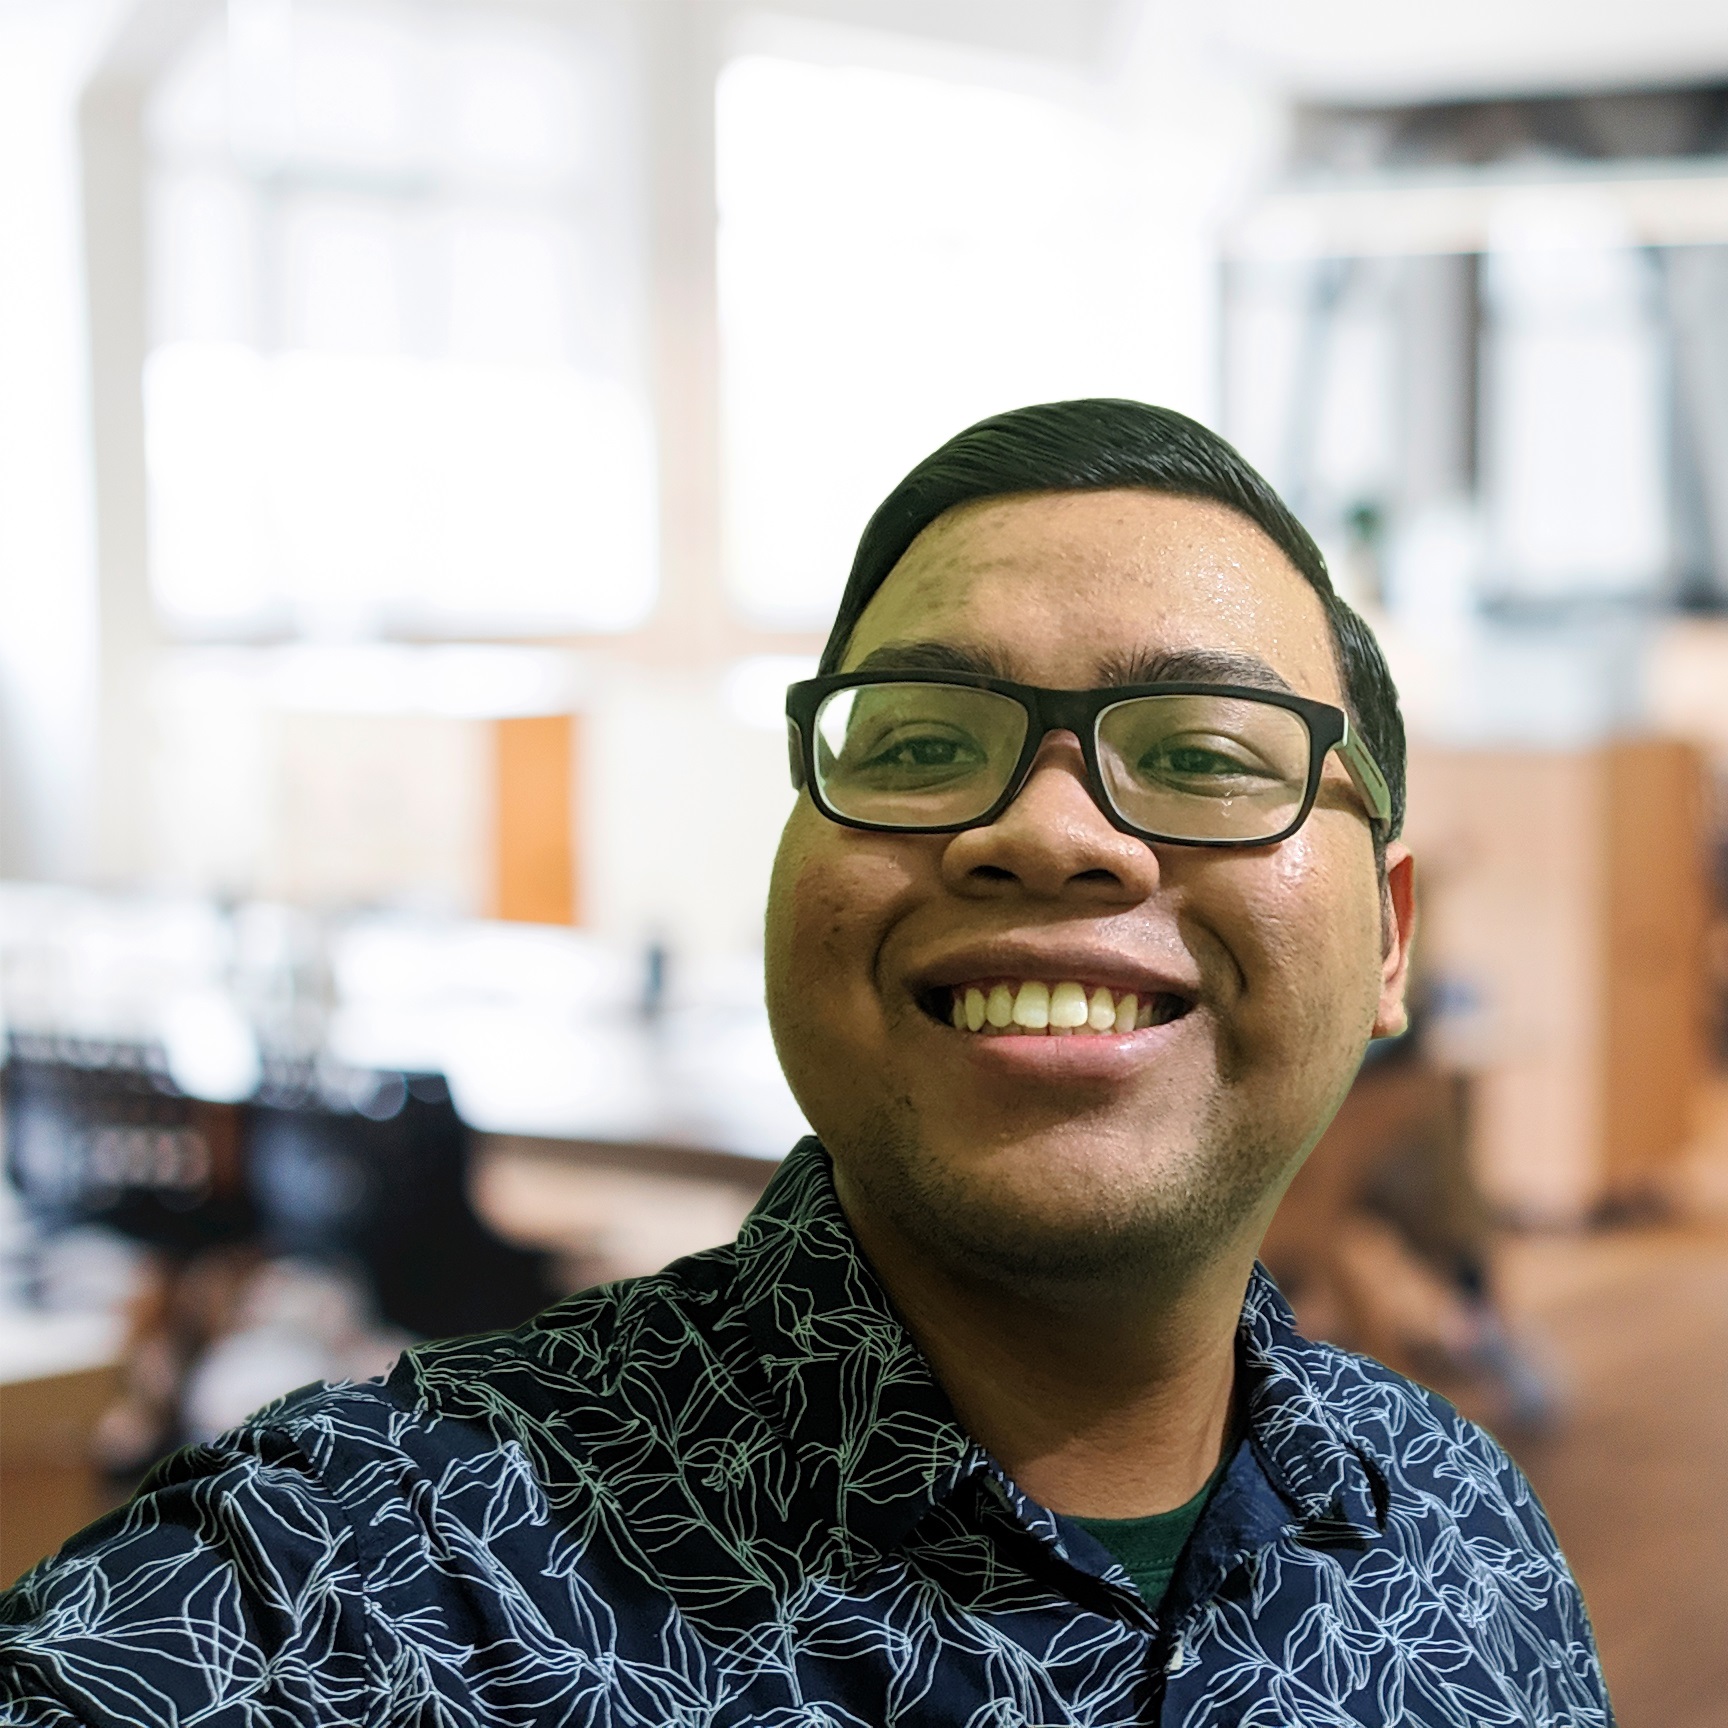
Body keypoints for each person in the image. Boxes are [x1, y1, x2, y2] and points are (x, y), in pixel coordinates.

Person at [0, 400, 1610, 1725]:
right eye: (921, 742)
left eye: (1202, 754)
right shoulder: (349, 1595)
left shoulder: (1469, 1538)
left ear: (1388, 941)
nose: (1050, 832)